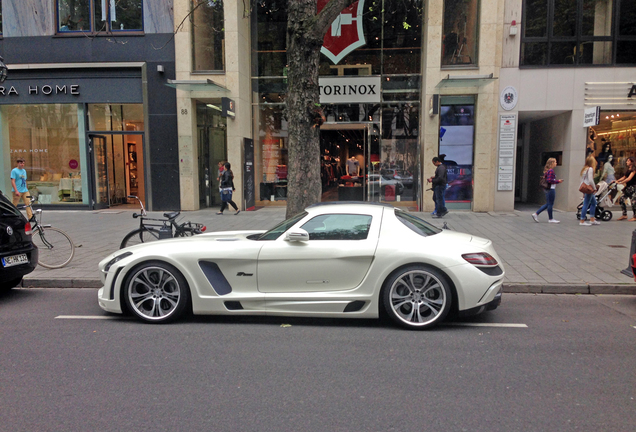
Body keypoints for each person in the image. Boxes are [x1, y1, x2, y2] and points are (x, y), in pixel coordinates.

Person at [532, 157, 563, 223]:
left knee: (548, 203)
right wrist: (558, 181)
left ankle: (536, 214)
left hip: (547, 189)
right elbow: (549, 180)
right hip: (550, 189)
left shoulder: (547, 170)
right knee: (550, 204)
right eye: (555, 162)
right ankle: (550, 219)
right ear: (552, 163)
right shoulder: (551, 171)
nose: (556, 163)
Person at [579, 155, 600, 227]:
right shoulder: (590, 169)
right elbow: (590, 180)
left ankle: (592, 219)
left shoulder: (584, 169)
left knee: (594, 202)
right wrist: (594, 188)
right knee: (586, 204)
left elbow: (582, 179)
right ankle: (582, 220)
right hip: (589, 188)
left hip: (585, 187)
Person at [616, 156, 636, 221]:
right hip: (628, 188)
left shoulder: (634, 169)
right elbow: (624, 177)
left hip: (634, 188)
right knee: (621, 199)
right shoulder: (628, 169)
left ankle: (635, 216)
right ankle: (624, 215)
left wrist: (621, 182)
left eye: (628, 161)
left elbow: (629, 178)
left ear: (631, 162)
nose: (626, 162)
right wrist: (617, 181)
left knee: (633, 202)